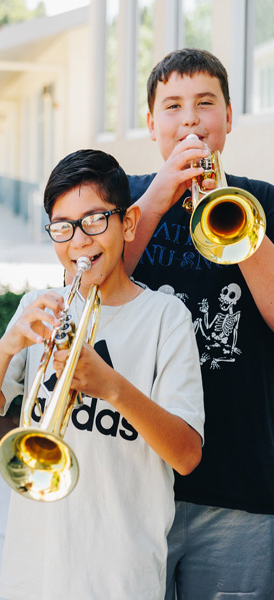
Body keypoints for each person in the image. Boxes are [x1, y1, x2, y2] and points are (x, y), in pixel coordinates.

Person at [0, 149, 204, 599]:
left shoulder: (165, 317)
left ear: (129, 223)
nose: (79, 240)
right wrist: (9, 343)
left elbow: (187, 454)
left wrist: (111, 387)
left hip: (121, 573)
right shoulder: (37, 309)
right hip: (32, 571)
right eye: (63, 226)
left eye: (95, 220)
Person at [125, 48, 274, 599]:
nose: (190, 119)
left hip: (241, 487)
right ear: (152, 123)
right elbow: (89, 290)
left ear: (229, 118)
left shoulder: (265, 203)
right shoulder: (125, 198)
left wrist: (230, 211)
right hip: (136, 483)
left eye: (205, 103)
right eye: (173, 106)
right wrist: (160, 198)